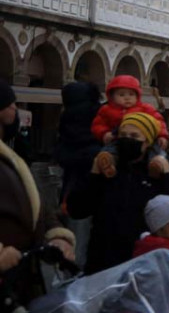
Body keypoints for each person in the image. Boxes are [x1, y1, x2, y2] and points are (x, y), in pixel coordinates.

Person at [68, 112, 169, 274]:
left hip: (147, 259)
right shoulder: (106, 166)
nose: (127, 139)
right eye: (123, 134)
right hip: (105, 258)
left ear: (148, 140)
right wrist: (94, 174)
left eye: (134, 135)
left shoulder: (160, 169)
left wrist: (168, 174)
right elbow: (77, 209)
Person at [0, 80, 76, 302]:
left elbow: (35, 204)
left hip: (20, 283)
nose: (15, 109)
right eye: (11, 104)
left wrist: (57, 236)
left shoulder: (11, 158)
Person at [54, 82, 102, 268]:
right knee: (81, 242)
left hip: (71, 189)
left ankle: (69, 274)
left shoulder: (67, 120)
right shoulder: (94, 115)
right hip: (87, 190)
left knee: (75, 241)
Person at [90, 75, 168, 147]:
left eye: (131, 94)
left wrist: (162, 136)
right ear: (112, 96)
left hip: (141, 142)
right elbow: (98, 125)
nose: (127, 98)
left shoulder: (145, 108)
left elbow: (159, 122)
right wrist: (104, 133)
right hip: (116, 141)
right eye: (121, 95)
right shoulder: (106, 110)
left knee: (156, 152)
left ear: (137, 95)